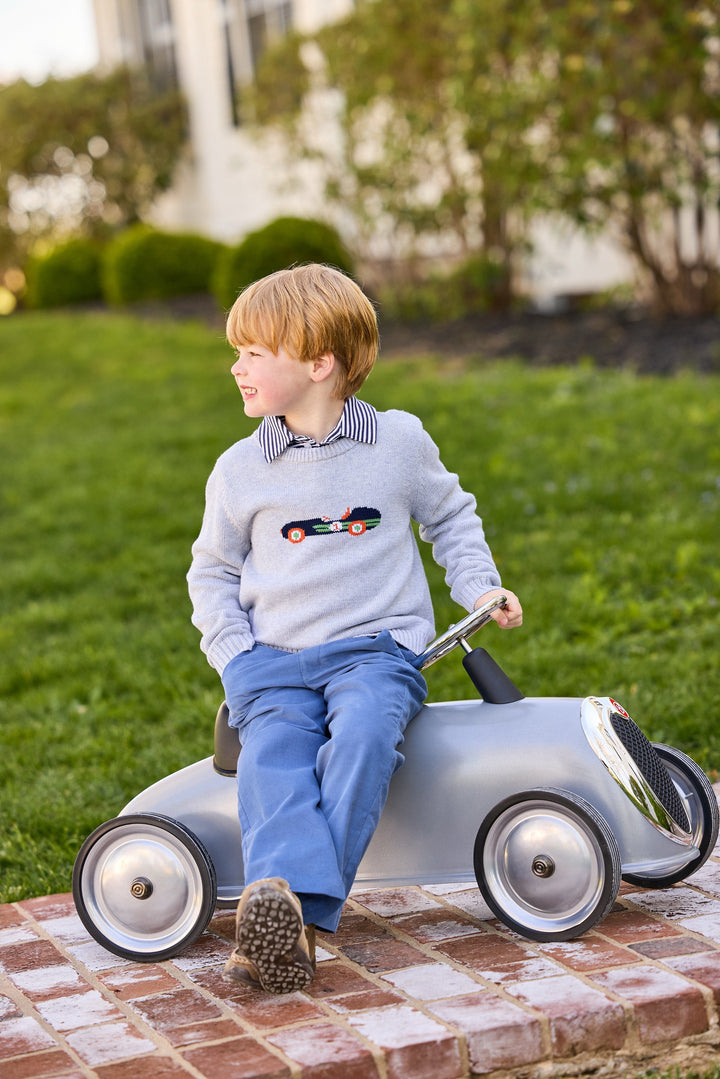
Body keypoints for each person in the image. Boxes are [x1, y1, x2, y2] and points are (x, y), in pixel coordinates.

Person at [187, 263, 522, 994]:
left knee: (365, 736)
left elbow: (450, 517)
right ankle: (293, 926)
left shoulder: (397, 444)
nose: (235, 367)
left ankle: (287, 917)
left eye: (252, 353)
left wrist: (479, 585)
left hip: (375, 655)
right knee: (273, 759)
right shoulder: (241, 469)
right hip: (272, 661)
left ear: (319, 362)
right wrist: (234, 656)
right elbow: (211, 571)